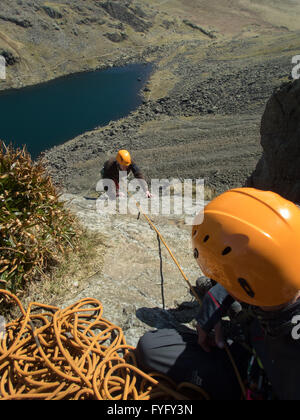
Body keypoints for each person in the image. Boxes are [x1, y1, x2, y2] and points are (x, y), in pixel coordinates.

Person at [136, 188, 300, 400]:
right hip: (256, 346)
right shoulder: (290, 243)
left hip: (262, 377)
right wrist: (214, 303)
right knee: (153, 347)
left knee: (152, 349)